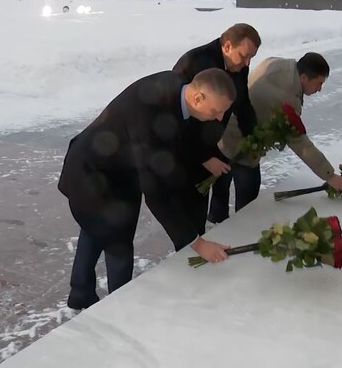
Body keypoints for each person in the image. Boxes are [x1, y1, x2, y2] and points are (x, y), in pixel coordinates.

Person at [58, 68, 235, 310]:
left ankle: (80, 293)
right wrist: (197, 243)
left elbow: (182, 141)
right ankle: (120, 308)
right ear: (197, 98)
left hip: (118, 169)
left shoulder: (179, 90)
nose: (218, 117)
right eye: (216, 111)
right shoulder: (151, 115)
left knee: (95, 227)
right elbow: (157, 192)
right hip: (93, 172)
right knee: (117, 243)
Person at [209, 52, 342, 223]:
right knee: (247, 204)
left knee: (220, 187)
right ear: (304, 78)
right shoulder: (287, 99)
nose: (320, 89)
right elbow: (300, 143)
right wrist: (329, 175)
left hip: (225, 132)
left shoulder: (279, 64)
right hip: (243, 144)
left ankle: (217, 223)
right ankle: (238, 230)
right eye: (319, 83)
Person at [172, 23, 261, 220]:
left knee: (203, 205)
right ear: (227, 46)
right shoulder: (195, 62)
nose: (247, 63)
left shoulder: (238, 66)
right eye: (244, 55)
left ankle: (207, 231)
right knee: (189, 210)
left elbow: (242, 103)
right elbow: (177, 117)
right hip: (186, 149)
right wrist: (204, 157)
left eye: (251, 58)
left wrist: (253, 135)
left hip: (210, 143)